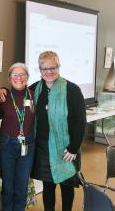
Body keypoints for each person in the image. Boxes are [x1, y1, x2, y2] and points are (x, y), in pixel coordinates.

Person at [30, 51, 86, 211]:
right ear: (40, 70)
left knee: (66, 186)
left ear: (59, 67)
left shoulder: (72, 90)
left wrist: (74, 147)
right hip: (43, 149)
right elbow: (18, 96)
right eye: (44, 68)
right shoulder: (35, 89)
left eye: (53, 67)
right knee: (48, 187)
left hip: (66, 149)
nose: (49, 72)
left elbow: (80, 122)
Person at [0, 63, 35, 211]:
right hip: (7, 145)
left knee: (21, 187)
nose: (19, 78)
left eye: (22, 74)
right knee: (8, 187)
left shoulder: (34, 95)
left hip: (27, 145)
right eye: (15, 75)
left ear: (27, 77)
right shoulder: (3, 96)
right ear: (9, 78)